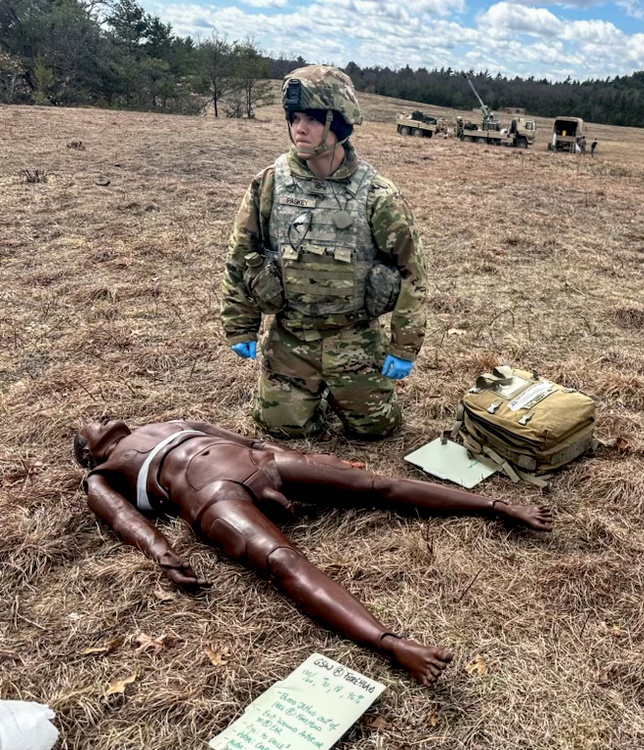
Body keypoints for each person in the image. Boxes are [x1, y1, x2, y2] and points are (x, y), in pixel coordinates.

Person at [74, 417, 554, 685]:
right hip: (211, 498)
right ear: (91, 454)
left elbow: (251, 439)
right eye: (86, 429)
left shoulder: (169, 420)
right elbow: (123, 518)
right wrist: (161, 553)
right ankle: (391, 643)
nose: (93, 418)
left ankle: (497, 505)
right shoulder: (101, 475)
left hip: (258, 462)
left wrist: (314, 465)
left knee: (375, 485)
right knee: (283, 562)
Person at [220, 65, 428, 441]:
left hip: (355, 339)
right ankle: (306, 394)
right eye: (295, 118)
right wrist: (240, 325)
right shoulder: (269, 184)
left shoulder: (378, 195)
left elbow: (412, 273)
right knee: (280, 429)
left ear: (341, 124)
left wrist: (403, 346)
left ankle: (344, 391)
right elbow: (241, 255)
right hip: (291, 337)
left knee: (378, 431)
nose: (300, 128)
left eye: (314, 119)